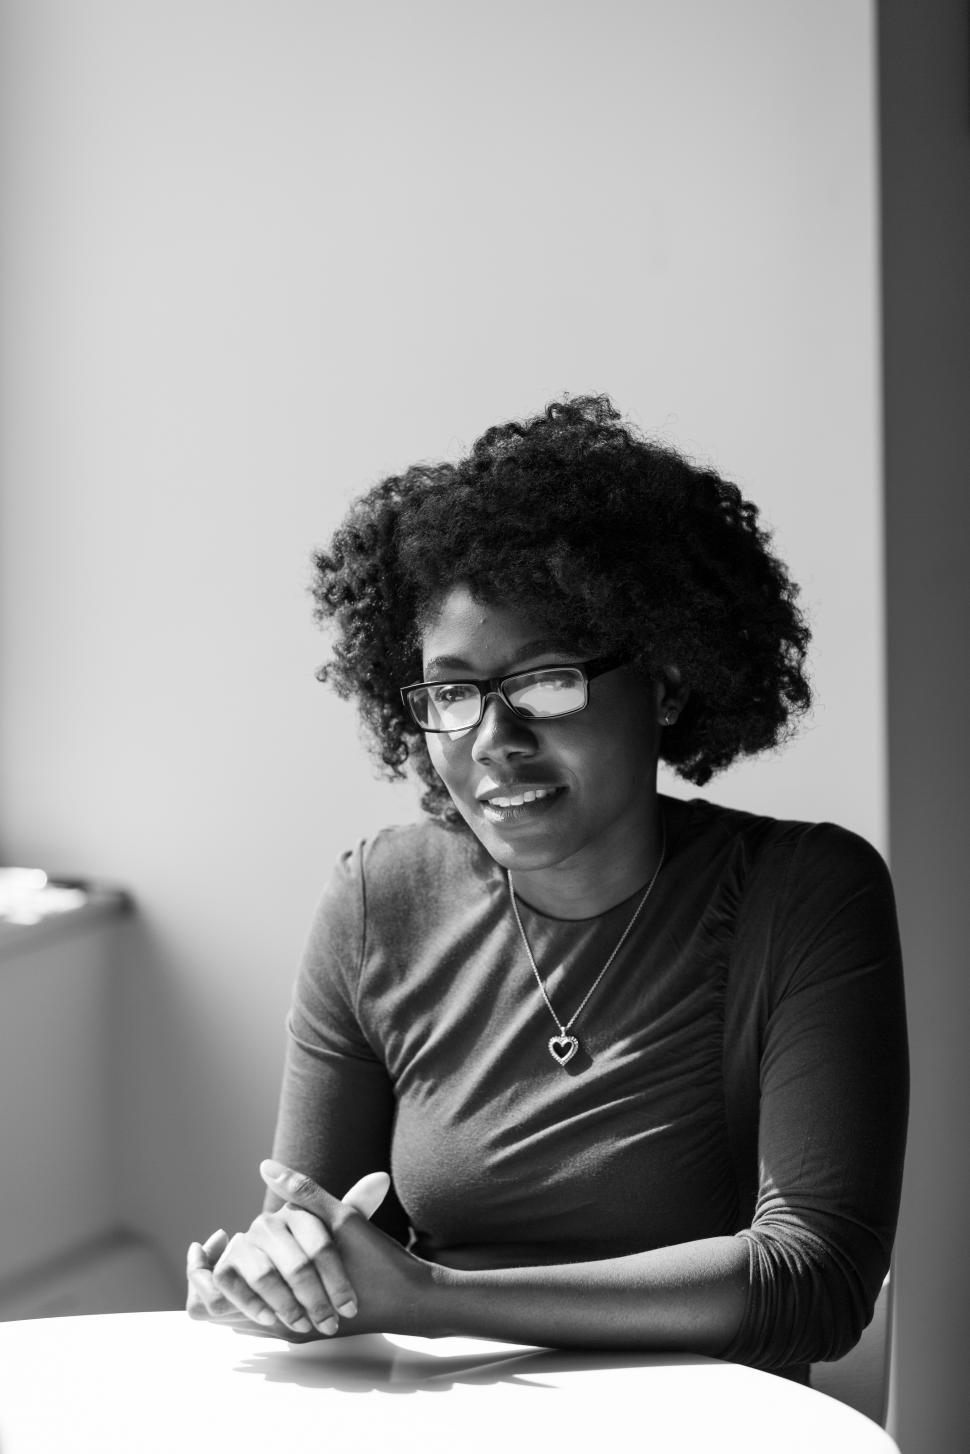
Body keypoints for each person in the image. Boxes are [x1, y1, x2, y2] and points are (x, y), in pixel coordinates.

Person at [186, 394, 908, 1380]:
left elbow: (813, 1279)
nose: (493, 738)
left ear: (663, 682)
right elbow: (320, 1240)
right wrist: (276, 1274)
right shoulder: (378, 900)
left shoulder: (804, 893)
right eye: (451, 691)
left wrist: (436, 1299)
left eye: (547, 679)